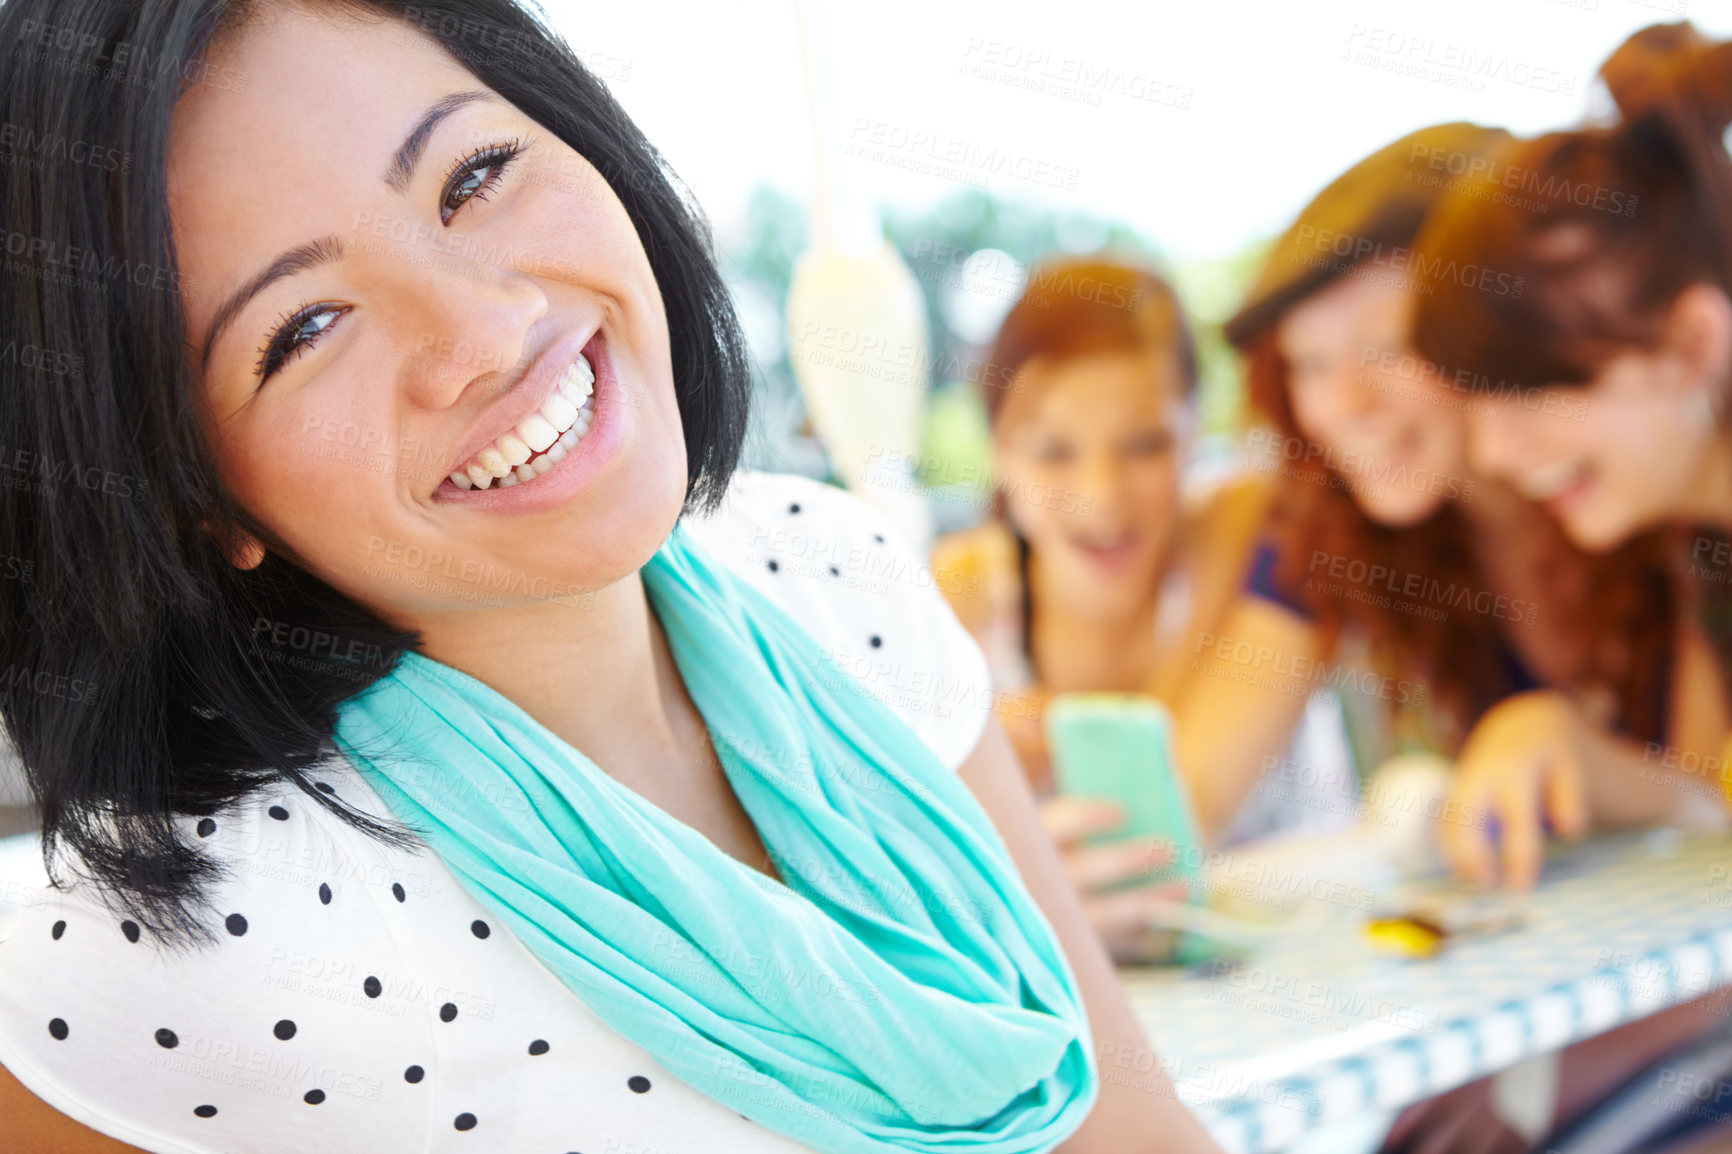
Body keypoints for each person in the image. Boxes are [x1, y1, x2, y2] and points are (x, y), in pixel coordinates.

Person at [0, 2, 1224, 1152]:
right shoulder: (184, 943)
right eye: (305, 328)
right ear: (196, 497)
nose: (484, 330)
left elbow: (1133, 1131)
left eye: (473, 177)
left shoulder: (832, 573)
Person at [1171, 122, 1722, 873]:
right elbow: (1188, 798)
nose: (1344, 405)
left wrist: (1570, 745)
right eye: (1308, 362)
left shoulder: (1663, 484)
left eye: (1389, 348)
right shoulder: (1332, 521)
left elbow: (1708, 830)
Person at [1408, 21, 1732, 878]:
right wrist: (1547, 728)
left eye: (1530, 391)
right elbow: (1711, 822)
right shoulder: (1708, 545)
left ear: (1693, 342)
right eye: (1474, 401)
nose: (1494, 452)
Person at [929, 258, 1269, 958]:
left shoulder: (1242, 536)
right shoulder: (952, 603)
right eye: (1053, 452)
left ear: (1196, 433)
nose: (1102, 499)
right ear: (1000, 454)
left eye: (1145, 445)